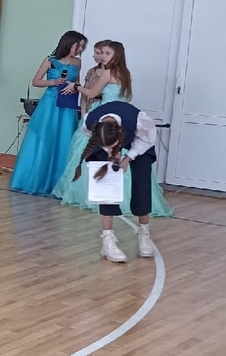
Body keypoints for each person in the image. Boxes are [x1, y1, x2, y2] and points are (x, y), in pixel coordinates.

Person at [53, 40, 173, 217]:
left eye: (107, 53)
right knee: (122, 151)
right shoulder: (126, 74)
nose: (103, 56)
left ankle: (99, 195)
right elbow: (128, 97)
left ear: (116, 56)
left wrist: (77, 86)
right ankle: (127, 201)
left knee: (93, 151)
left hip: (106, 114)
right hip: (122, 116)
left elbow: (92, 93)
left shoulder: (108, 73)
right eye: (102, 53)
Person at [69, 101, 159, 263]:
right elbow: (93, 138)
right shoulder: (91, 122)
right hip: (106, 137)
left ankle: (143, 233)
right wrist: (110, 154)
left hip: (141, 140)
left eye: (114, 146)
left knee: (142, 181)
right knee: (106, 183)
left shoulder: (138, 121)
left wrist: (128, 158)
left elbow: (148, 139)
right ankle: (107, 240)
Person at [9, 30, 87, 196]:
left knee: (64, 140)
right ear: (68, 43)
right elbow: (36, 81)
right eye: (78, 46)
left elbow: (77, 82)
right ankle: (36, 181)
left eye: (82, 47)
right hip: (50, 104)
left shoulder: (77, 62)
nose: (80, 49)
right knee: (45, 139)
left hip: (67, 105)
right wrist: (53, 82)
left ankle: (58, 184)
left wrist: (74, 87)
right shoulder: (50, 60)